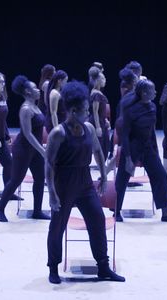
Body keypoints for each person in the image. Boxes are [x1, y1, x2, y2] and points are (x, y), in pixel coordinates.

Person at [45, 81, 125, 284]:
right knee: (57, 227)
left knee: (97, 220)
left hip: (85, 183)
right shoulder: (58, 133)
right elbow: (49, 165)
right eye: (85, 110)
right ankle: (53, 268)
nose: (89, 114)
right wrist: (52, 194)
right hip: (64, 184)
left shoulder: (88, 128)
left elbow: (97, 151)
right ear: (72, 111)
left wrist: (104, 176)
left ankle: (103, 267)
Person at [114, 79, 167, 222]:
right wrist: (127, 159)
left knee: (161, 175)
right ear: (144, 93)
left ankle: (165, 213)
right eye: (153, 90)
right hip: (132, 147)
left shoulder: (152, 107)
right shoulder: (130, 110)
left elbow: (151, 131)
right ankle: (116, 211)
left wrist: (155, 150)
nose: (156, 92)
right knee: (122, 179)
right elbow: (125, 135)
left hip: (148, 147)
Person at [0, 75, 50, 222]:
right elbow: (27, 133)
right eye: (35, 88)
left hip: (35, 149)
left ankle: (37, 211)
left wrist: (40, 149)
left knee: (40, 178)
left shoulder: (35, 106)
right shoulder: (26, 108)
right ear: (27, 92)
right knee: (16, 179)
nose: (38, 90)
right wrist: (42, 150)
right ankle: (0, 209)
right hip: (23, 149)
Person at [88, 66, 110, 154]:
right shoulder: (96, 94)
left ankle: (102, 165)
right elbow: (95, 112)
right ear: (97, 80)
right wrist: (98, 127)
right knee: (100, 145)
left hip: (102, 120)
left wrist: (105, 120)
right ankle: (101, 165)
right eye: (103, 78)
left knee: (105, 144)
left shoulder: (98, 92)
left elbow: (102, 110)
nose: (105, 80)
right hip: (97, 122)